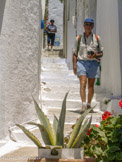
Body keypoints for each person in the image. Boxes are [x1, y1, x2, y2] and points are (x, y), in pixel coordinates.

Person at [72, 18, 103, 112]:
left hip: (93, 63)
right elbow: (74, 53)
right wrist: (74, 65)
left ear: (92, 26)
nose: (88, 26)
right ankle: (83, 105)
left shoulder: (97, 38)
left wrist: (95, 55)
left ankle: (89, 104)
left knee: (90, 86)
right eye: (86, 24)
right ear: (84, 26)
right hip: (81, 62)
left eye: (90, 25)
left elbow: (101, 53)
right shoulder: (79, 38)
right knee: (83, 83)